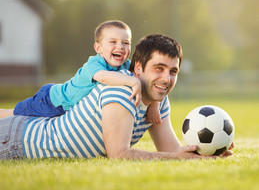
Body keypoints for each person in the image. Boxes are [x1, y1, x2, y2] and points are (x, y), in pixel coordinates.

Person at [0, 34, 233, 160]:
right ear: (138, 68)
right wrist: (176, 159)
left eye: (173, 72)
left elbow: (171, 150)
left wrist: (206, 152)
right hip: (17, 141)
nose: (166, 78)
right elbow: (119, 154)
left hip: (23, 132)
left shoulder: (158, 100)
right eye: (159, 68)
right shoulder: (121, 91)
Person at [0, 20, 161, 125]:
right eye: (113, 42)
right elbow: (103, 77)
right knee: (16, 118)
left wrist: (153, 106)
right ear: (98, 48)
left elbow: (145, 81)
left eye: (126, 43)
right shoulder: (95, 63)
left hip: (66, 112)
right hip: (52, 101)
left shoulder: (126, 66)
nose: (120, 47)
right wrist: (133, 82)